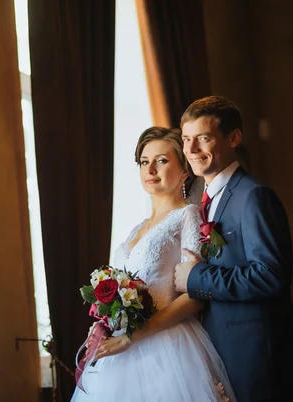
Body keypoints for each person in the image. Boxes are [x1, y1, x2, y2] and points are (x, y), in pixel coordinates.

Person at [71, 127, 236, 402]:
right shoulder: (135, 229)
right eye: (144, 161)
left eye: (161, 160)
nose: (151, 169)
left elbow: (195, 297)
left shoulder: (188, 216)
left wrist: (132, 337)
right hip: (119, 353)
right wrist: (106, 323)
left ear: (184, 170)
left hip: (168, 347)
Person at [174, 96, 293, 402]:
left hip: (255, 356)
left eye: (203, 139)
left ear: (234, 138)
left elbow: (270, 276)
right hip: (214, 349)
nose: (192, 150)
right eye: (186, 139)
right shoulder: (197, 201)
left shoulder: (254, 196)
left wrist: (196, 279)